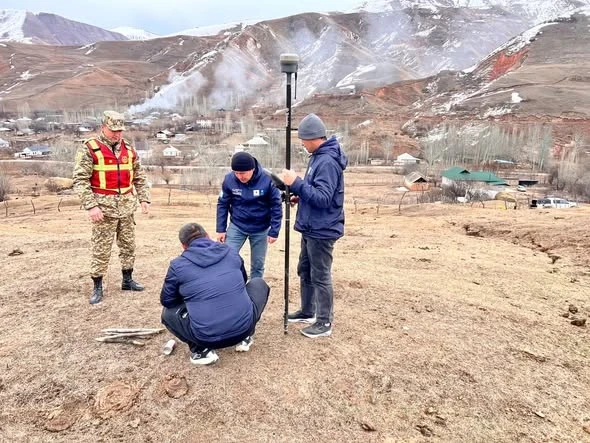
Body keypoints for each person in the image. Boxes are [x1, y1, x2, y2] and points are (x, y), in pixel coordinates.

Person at [160, 223, 270, 365]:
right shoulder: (230, 252)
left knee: (167, 313)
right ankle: (245, 337)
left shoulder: (177, 265)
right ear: (208, 236)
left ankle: (201, 350)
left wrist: (189, 297)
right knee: (258, 283)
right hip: (244, 328)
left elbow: (167, 301)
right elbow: (243, 281)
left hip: (206, 337)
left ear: (184, 246)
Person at [280, 114, 347, 338]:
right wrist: (300, 196)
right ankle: (308, 311)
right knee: (305, 270)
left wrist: (296, 183)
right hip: (311, 225)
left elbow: (324, 198)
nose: (301, 143)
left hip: (322, 229)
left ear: (313, 137)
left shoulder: (327, 161)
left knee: (320, 275)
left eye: (303, 139)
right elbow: (315, 192)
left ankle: (324, 322)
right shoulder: (317, 157)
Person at [72, 110, 150, 305]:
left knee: (128, 246)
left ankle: (127, 280)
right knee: (101, 249)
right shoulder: (90, 148)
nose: (117, 134)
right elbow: (80, 180)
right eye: (113, 130)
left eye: (120, 130)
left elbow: (139, 176)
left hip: (126, 208)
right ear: (103, 127)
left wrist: (144, 198)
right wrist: (91, 206)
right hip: (103, 210)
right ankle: (97, 286)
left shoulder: (129, 150)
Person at [216, 151, 282, 279]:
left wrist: (274, 230)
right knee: (227, 258)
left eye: (243, 173)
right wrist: (221, 229)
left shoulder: (267, 179)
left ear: (252, 169)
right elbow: (222, 204)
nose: (240, 176)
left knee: (258, 264)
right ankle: (232, 285)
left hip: (261, 227)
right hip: (237, 225)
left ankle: (255, 288)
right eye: (236, 173)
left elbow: (276, 206)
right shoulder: (229, 179)